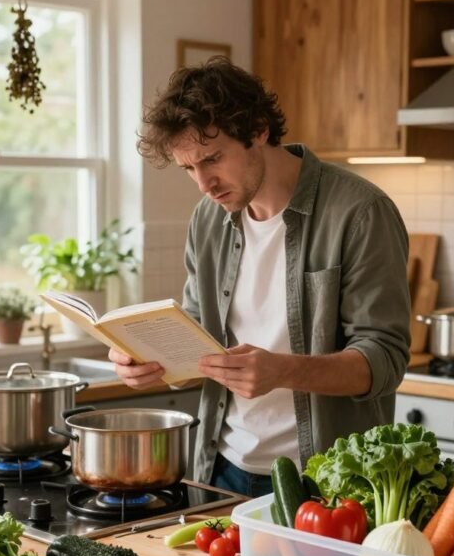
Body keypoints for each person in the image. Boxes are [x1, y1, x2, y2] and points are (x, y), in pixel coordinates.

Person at [109, 58, 411, 497]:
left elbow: (384, 360)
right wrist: (152, 362)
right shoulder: (208, 220)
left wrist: (283, 369)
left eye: (213, 159)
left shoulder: (360, 213)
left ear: (259, 130)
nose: (204, 184)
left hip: (326, 481)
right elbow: (199, 338)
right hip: (222, 468)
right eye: (189, 168)